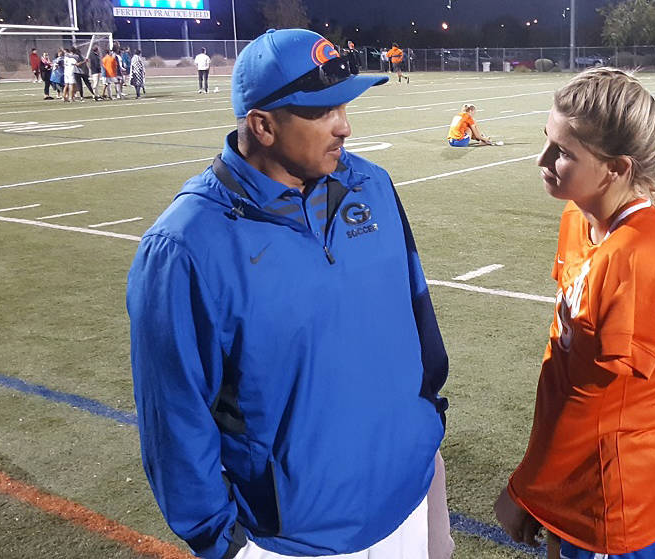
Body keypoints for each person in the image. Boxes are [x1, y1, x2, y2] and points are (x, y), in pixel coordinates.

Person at [127, 28, 453, 559]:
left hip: (408, 499)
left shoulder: (372, 185)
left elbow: (419, 319)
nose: (344, 126)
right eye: (323, 112)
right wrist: (227, 544)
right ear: (263, 125)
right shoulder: (185, 245)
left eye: (344, 106)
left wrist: (424, 427)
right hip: (294, 541)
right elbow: (174, 418)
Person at [494, 67, 655, 559]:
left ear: (617, 167)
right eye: (547, 140)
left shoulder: (637, 258)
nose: (541, 159)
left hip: (615, 505)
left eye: (563, 152)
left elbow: (597, 403)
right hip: (580, 488)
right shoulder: (579, 216)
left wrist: (530, 491)